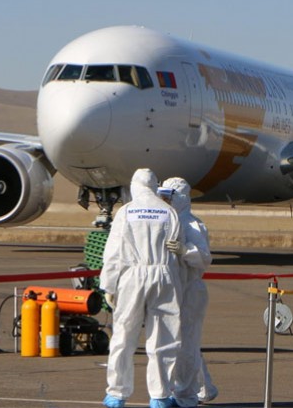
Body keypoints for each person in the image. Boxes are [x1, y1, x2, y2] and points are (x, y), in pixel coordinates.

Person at [99, 169, 185, 408]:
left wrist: (109, 285)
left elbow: (113, 253)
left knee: (123, 336)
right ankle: (160, 395)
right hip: (164, 275)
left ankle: (117, 393)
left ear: (134, 186)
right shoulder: (169, 211)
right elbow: (177, 248)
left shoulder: (126, 212)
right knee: (164, 337)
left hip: (132, 277)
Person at [160, 177, 219, 406]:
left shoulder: (192, 225)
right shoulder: (168, 221)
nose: (164, 200)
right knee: (186, 343)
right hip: (176, 289)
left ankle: (186, 395)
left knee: (187, 344)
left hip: (191, 290)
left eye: (168, 196)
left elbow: (204, 258)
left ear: (181, 197)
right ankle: (204, 389)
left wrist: (185, 250)